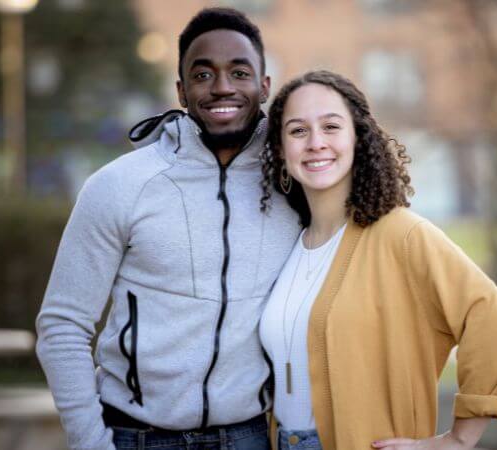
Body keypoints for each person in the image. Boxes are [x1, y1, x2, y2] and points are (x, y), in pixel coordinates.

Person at [35, 8, 300, 450]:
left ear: (264, 86)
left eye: (239, 72)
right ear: (181, 90)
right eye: (202, 74)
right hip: (136, 437)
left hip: (250, 436)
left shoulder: (295, 188)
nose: (222, 87)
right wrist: (90, 443)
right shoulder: (118, 186)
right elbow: (63, 326)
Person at [258, 70, 497, 450]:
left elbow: (496, 321)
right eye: (298, 131)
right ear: (282, 151)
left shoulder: (400, 234)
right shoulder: (289, 246)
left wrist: (457, 440)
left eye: (331, 127)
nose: (316, 142)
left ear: (358, 139)